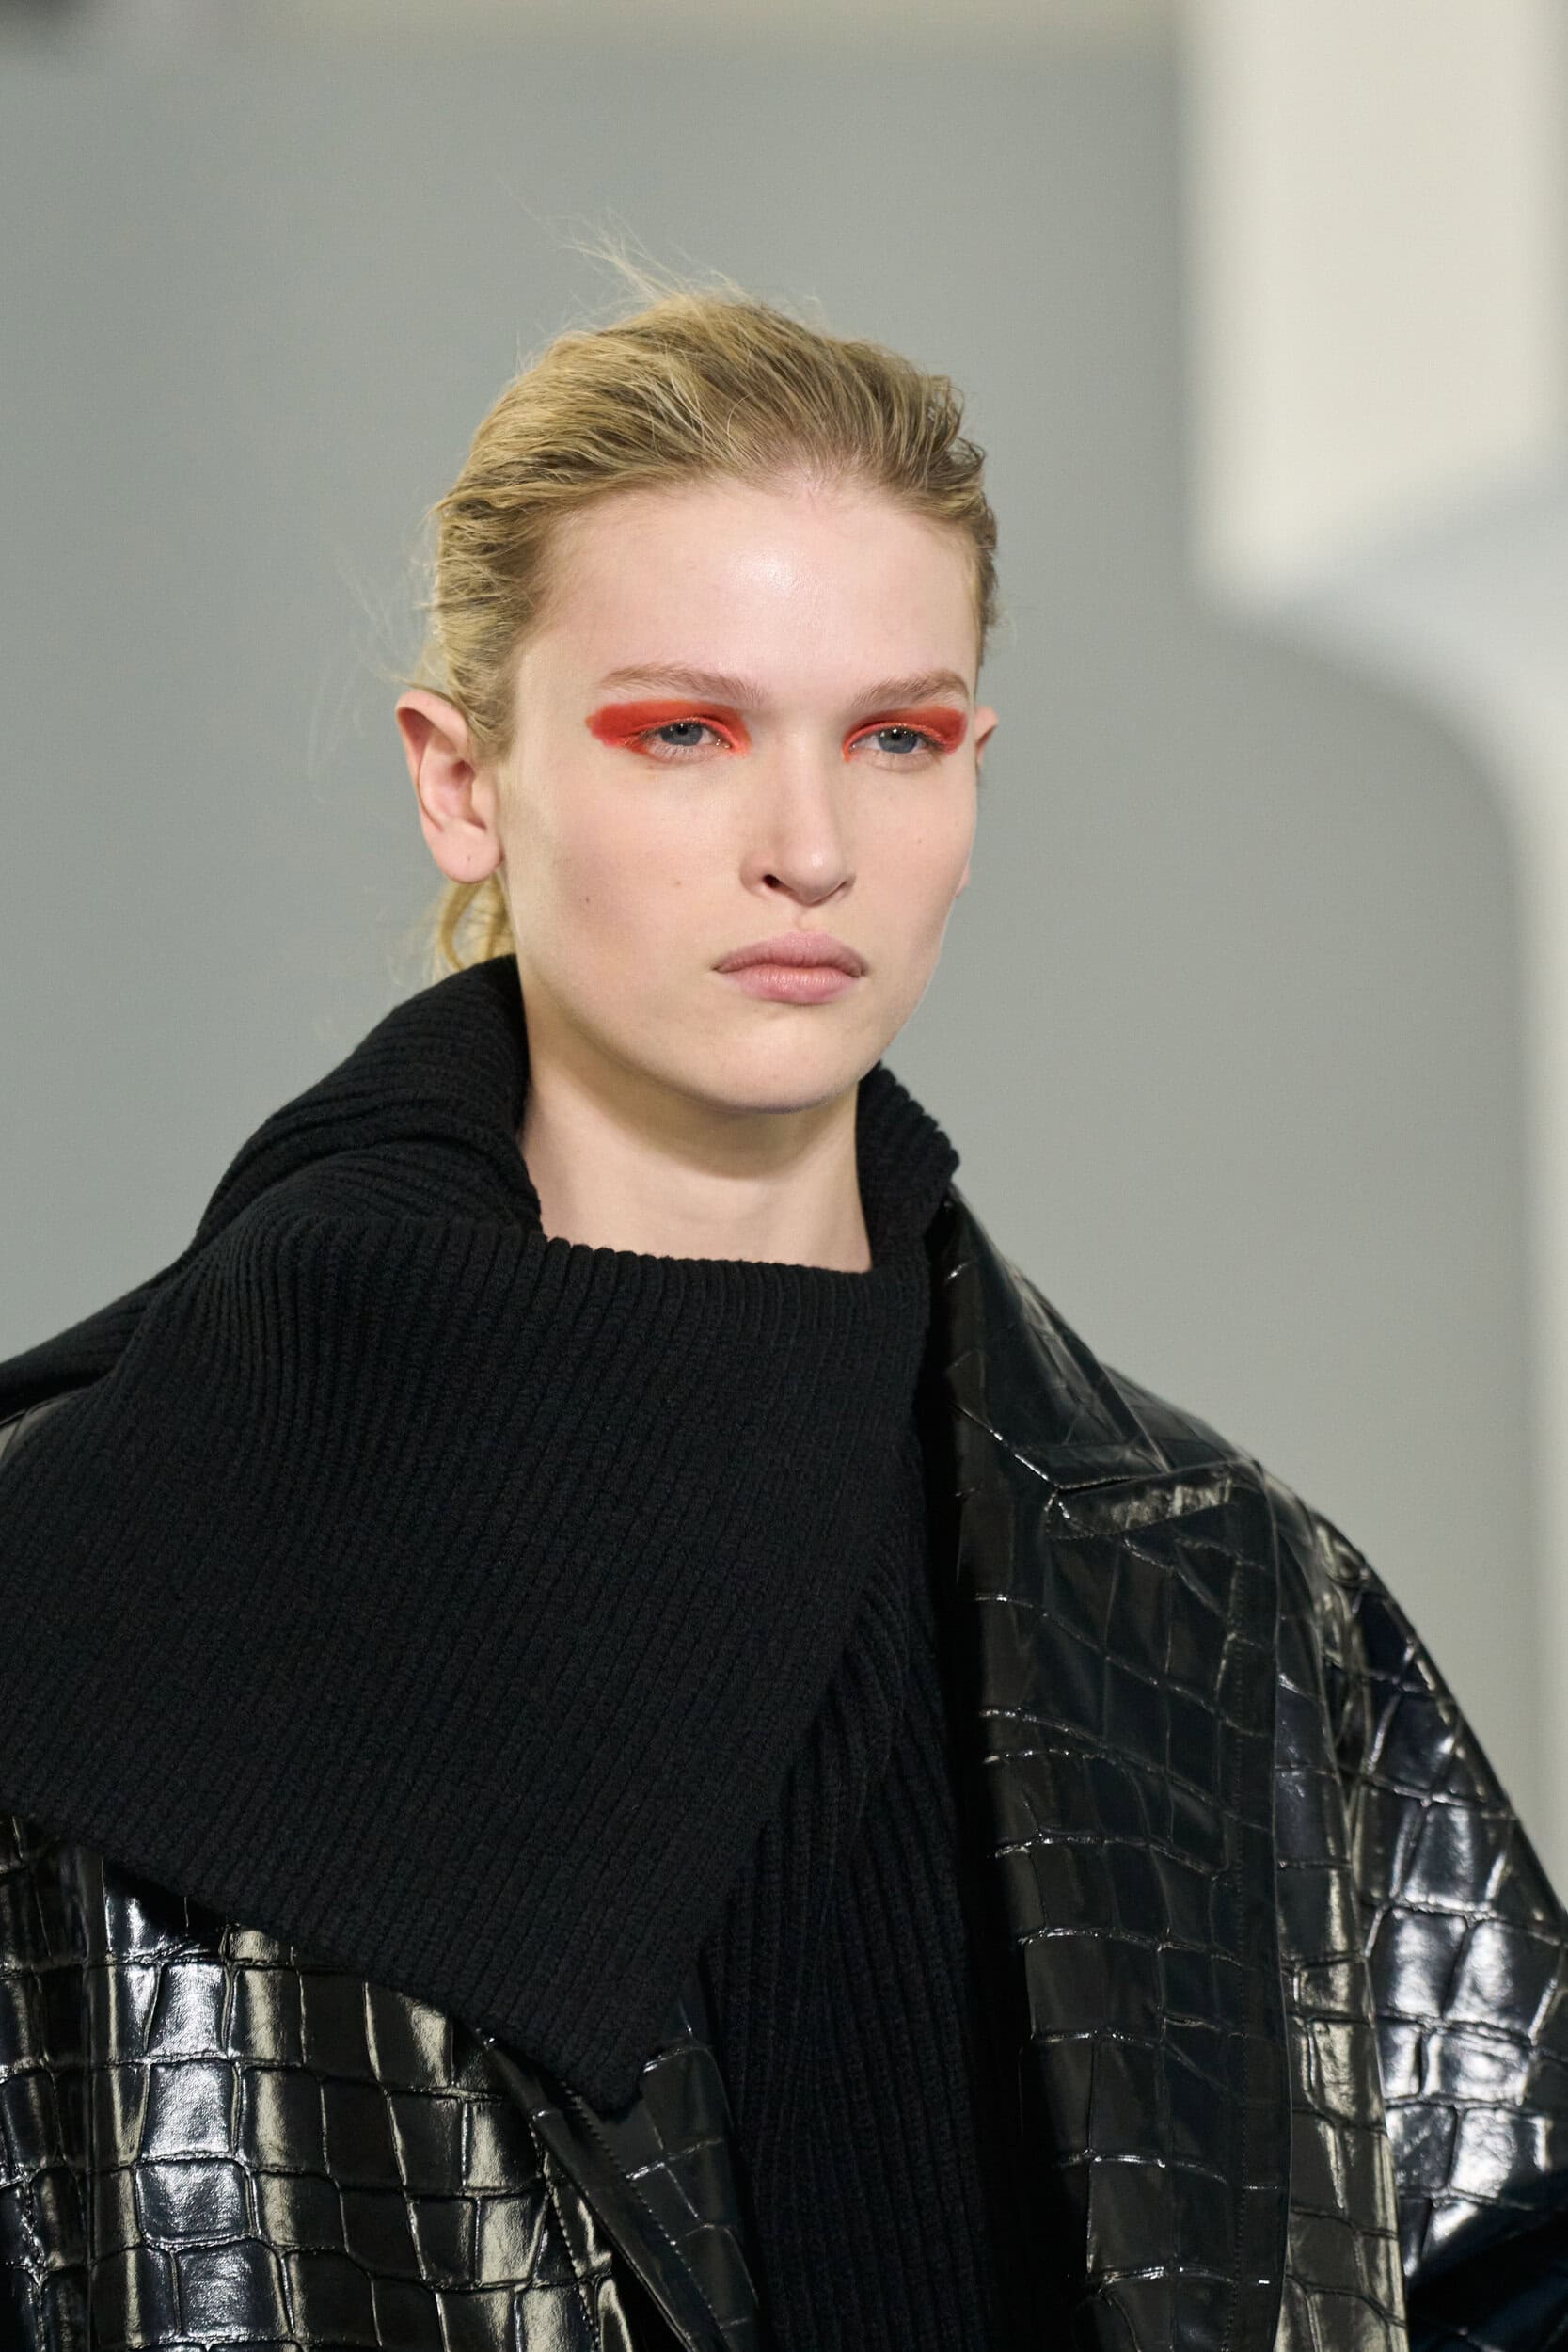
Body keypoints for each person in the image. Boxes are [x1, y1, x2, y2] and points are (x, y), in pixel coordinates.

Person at [0, 272, 1562, 2352]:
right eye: (686, 732)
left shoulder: (1233, 1602)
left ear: (974, 776)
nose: (810, 847)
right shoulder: (94, 1567)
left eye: (896, 737)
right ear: (462, 778)